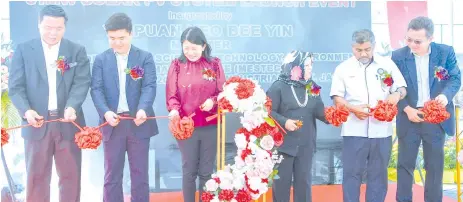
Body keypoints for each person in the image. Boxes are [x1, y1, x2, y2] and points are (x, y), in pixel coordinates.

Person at [8, 5, 91, 202]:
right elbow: (16, 88)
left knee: (71, 179)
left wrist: (72, 106)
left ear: (65, 27)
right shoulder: (24, 50)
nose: (53, 33)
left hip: (67, 123)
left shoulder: (76, 51)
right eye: (48, 27)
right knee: (36, 179)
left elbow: (82, 82)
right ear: (39, 25)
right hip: (36, 123)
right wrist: (26, 111)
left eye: (58, 28)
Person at [329, 29, 407, 202]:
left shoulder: (387, 65)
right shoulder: (343, 68)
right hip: (353, 131)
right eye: (359, 50)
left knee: (378, 176)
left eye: (367, 49)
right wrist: (353, 108)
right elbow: (336, 98)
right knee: (351, 175)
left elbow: (402, 88)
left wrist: (396, 96)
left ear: (374, 46)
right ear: (352, 48)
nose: (363, 53)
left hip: (381, 132)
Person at [90, 13, 158, 202]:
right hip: (112, 124)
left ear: (131, 34)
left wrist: (143, 109)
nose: (117, 43)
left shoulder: (144, 57)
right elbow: (96, 90)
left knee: (140, 176)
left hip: (138, 123)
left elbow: (149, 86)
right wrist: (106, 112)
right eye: (112, 38)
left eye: (121, 38)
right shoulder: (101, 60)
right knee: (111, 177)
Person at [392, 17, 461, 202]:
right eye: (408, 40)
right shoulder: (397, 56)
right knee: (405, 165)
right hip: (409, 116)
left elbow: (455, 79)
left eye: (417, 41)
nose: (412, 45)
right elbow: (392, 87)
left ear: (430, 38)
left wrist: (444, 96)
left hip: (435, 117)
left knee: (435, 167)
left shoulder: (445, 53)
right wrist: (406, 108)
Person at [166, 26, 225, 202]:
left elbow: (223, 92)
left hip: (210, 125)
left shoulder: (214, 64)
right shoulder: (177, 65)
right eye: (186, 48)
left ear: (203, 46)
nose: (190, 52)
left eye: (194, 48)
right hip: (186, 127)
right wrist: (174, 109)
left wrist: (213, 101)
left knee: (206, 171)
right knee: (189, 170)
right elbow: (171, 94)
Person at [267, 50, 329, 202]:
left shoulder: (312, 86)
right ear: (296, 67)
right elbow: (267, 112)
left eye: (311, 65)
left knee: (304, 185)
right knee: (281, 186)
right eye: (307, 65)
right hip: (283, 146)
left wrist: (334, 116)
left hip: (305, 145)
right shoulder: (278, 87)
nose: (310, 69)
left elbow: (319, 110)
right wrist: (284, 122)